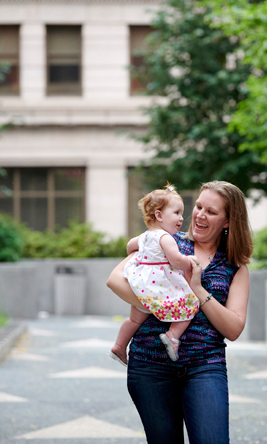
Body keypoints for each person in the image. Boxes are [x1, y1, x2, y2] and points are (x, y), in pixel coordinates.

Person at [106, 180, 253, 444]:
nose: (199, 215)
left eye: (211, 211)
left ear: (228, 221)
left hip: (205, 366)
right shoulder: (165, 242)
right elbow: (115, 279)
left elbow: (233, 328)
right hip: (150, 365)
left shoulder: (235, 267)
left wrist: (196, 289)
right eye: (198, 206)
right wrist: (165, 305)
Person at [108, 184, 198, 366]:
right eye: (177, 213)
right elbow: (176, 261)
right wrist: (191, 261)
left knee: (134, 319)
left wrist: (143, 253)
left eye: (181, 213)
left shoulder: (145, 236)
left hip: (142, 283)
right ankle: (172, 335)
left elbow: (129, 247)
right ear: (159, 215)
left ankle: (119, 345)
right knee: (190, 306)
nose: (181, 218)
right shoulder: (166, 238)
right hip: (160, 285)